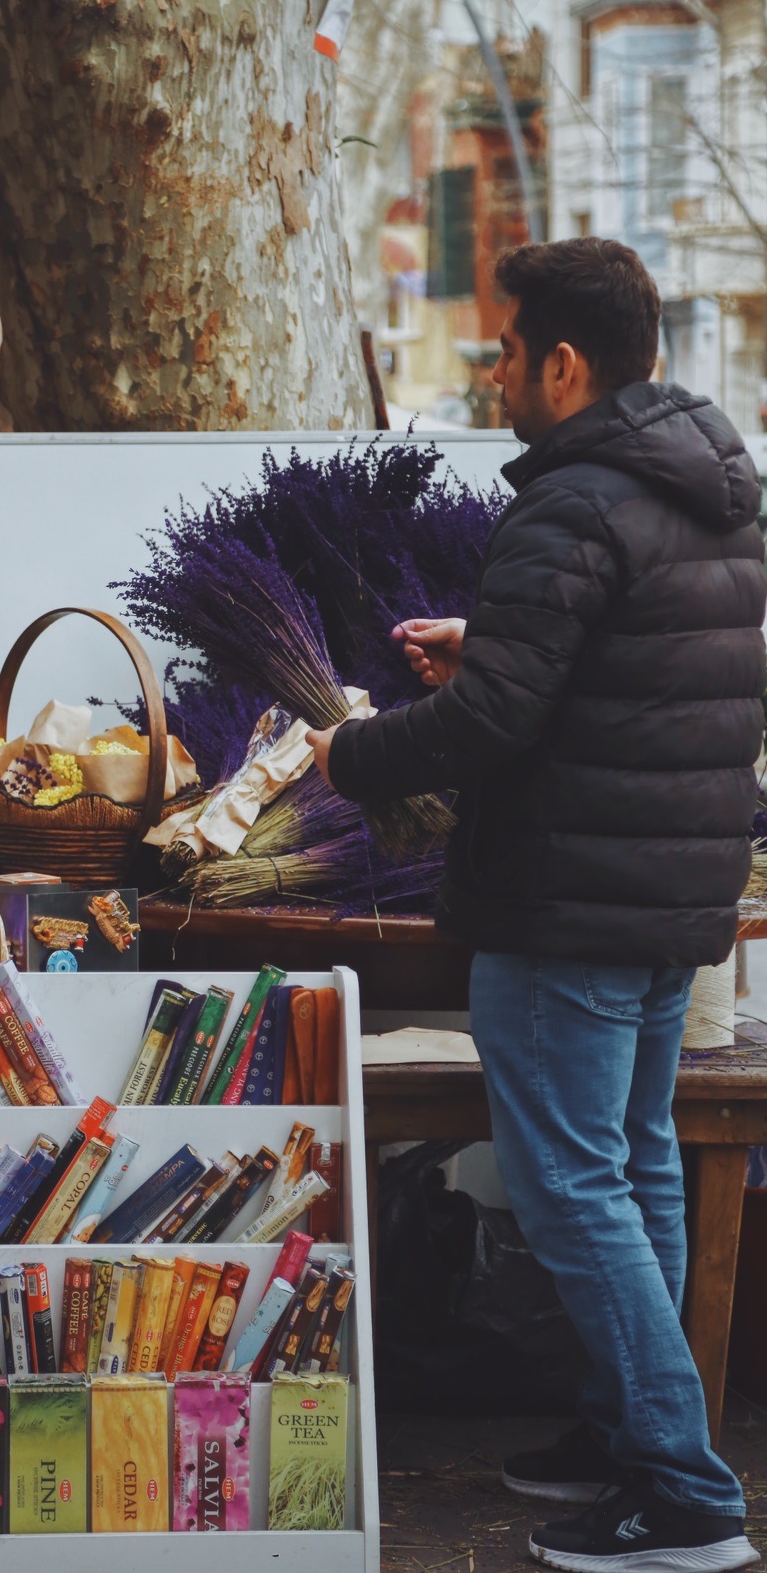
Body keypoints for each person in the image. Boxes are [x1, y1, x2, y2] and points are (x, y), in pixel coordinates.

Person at [309, 238, 764, 1573]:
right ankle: (630, 1433)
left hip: (567, 901)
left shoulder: (571, 503)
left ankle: (684, 1496)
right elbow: (635, 663)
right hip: (673, 893)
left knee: (574, 1191)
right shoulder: (710, 485)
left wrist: (352, 755)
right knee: (628, 1171)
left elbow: (496, 726)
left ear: (564, 363)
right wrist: (489, 640)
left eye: (505, 348)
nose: (491, 369)